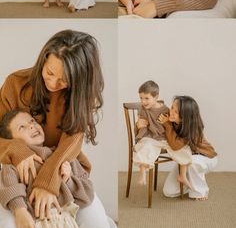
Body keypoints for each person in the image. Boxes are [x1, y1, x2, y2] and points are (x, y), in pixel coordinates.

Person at [0, 30, 115, 228]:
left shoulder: (79, 98)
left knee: (97, 223)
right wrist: (16, 149)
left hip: (63, 170)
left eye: (63, 80)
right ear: (44, 60)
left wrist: (49, 181)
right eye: (50, 73)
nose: (53, 83)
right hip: (17, 175)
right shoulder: (16, 83)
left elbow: (71, 144)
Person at [0, 109, 94, 228]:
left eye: (32, 121)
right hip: (35, 221)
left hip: (66, 221)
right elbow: (9, 189)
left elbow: (88, 194)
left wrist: (69, 181)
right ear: (12, 141)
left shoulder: (63, 157)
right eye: (22, 127)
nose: (31, 126)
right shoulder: (14, 166)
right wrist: (20, 211)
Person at [134, 81, 192, 188]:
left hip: (165, 139)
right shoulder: (143, 110)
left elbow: (174, 125)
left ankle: (182, 176)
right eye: (141, 98)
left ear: (156, 97)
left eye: (146, 98)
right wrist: (138, 125)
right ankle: (142, 172)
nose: (143, 101)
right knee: (146, 147)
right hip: (151, 138)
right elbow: (141, 126)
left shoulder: (166, 110)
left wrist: (167, 121)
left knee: (183, 149)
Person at [159, 96, 217, 200]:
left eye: (176, 112)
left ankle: (200, 191)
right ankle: (191, 179)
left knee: (193, 162)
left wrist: (167, 125)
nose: (171, 112)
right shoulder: (172, 119)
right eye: (172, 107)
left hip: (205, 158)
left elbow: (176, 146)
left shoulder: (192, 129)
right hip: (185, 161)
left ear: (184, 117)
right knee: (168, 192)